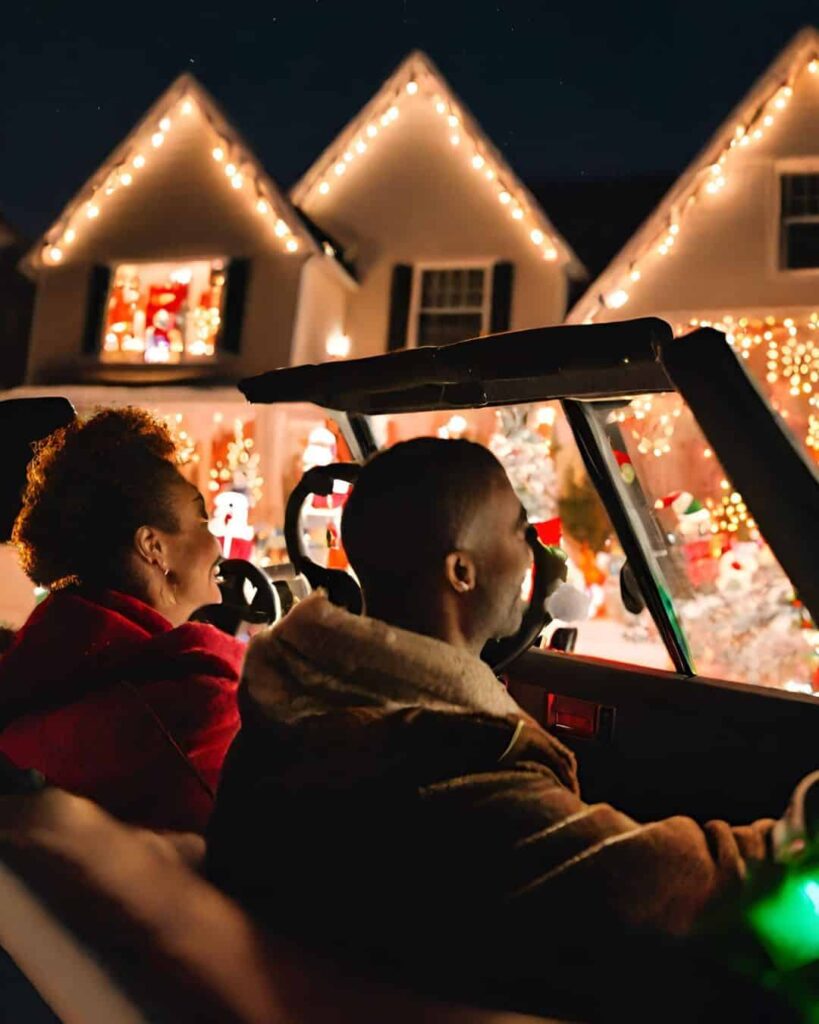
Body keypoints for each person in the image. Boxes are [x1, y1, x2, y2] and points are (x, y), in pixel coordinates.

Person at [206, 438, 779, 1020]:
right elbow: (667, 884)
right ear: (461, 571)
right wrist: (791, 840)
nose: (534, 554)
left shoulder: (286, 717)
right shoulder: (446, 765)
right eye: (518, 531)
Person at [0, 407, 242, 833]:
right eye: (201, 521)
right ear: (154, 547)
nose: (216, 543)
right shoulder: (198, 705)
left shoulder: (37, 664)